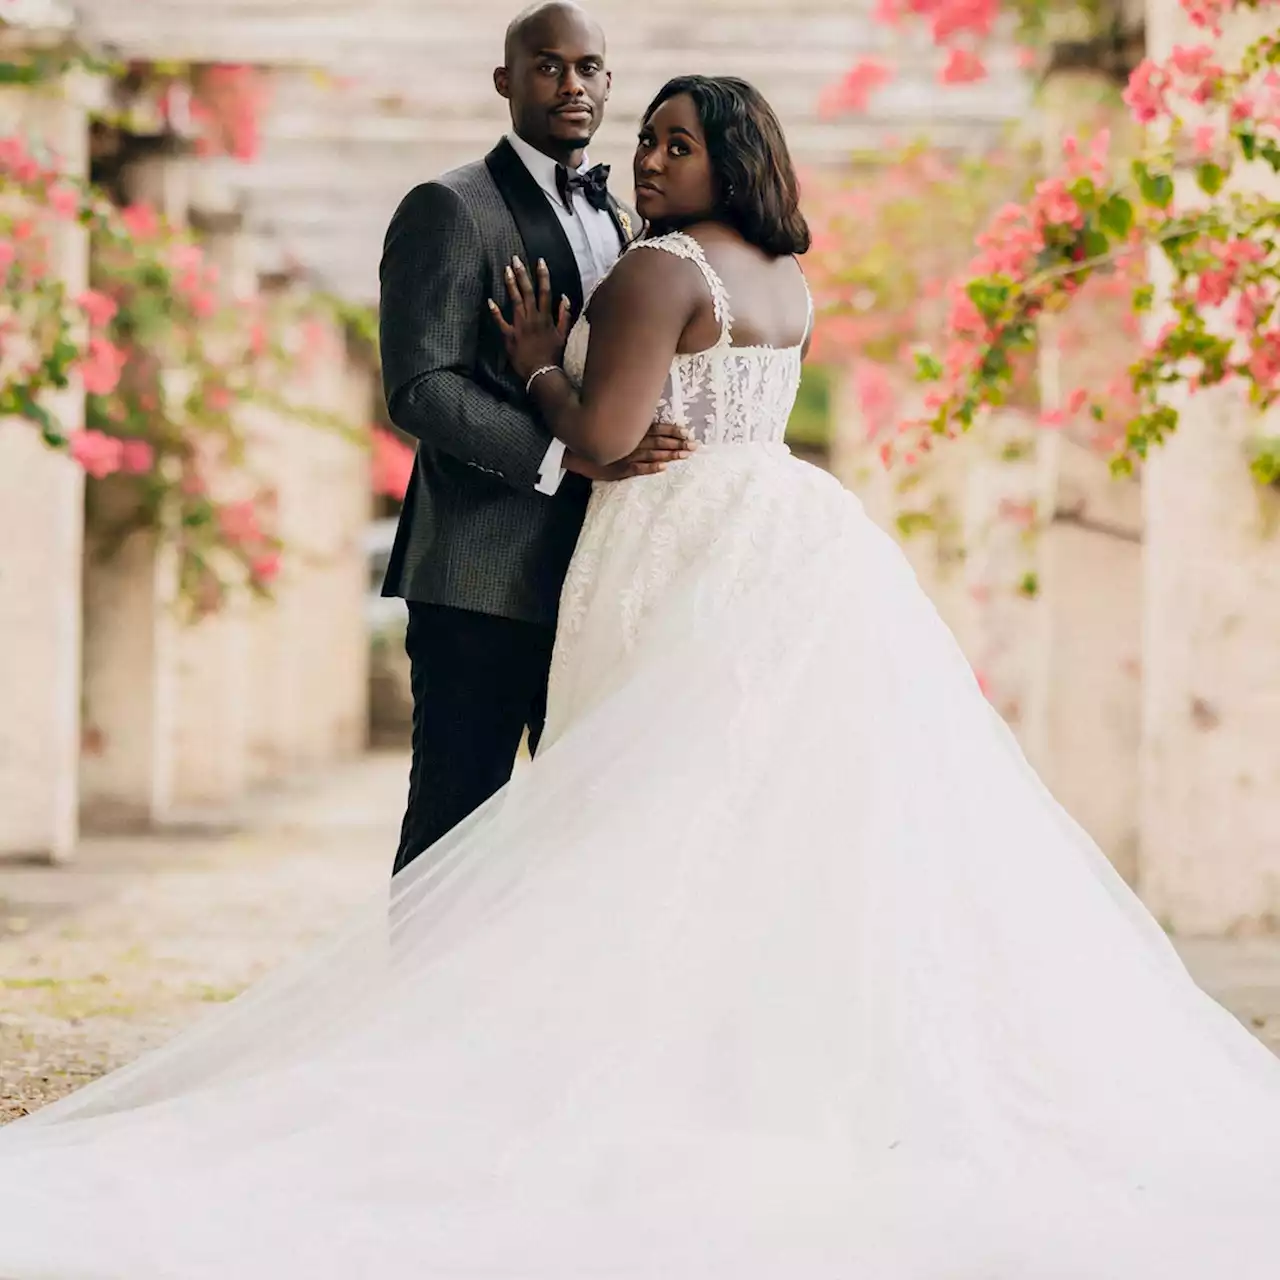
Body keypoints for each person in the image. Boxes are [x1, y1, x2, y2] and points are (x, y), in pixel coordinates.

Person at [2, 74, 1280, 1280]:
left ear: (731, 156)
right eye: (648, 139)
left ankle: (570, 1059)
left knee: (633, 802)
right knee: (755, 807)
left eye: (675, 141)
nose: (645, 160)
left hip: (672, 537)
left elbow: (609, 437)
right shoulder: (786, 278)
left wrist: (541, 356)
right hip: (786, 530)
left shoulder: (658, 269)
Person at [378, 0, 693, 876]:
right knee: (456, 824)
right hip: (479, 575)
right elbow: (420, 386)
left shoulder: (630, 225)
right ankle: (424, 1012)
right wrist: (565, 454)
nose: (572, 85)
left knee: (579, 840)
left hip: (598, 575)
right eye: (548, 66)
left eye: (589, 68)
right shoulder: (448, 207)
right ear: (504, 81)